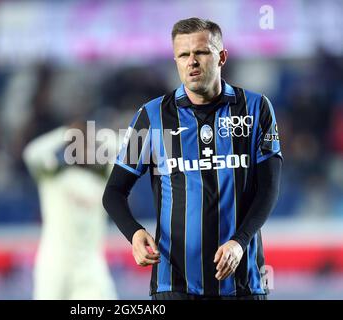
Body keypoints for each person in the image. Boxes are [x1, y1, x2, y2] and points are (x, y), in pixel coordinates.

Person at [102, 17, 282, 300]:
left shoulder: (256, 109)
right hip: (174, 285)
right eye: (183, 55)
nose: (192, 62)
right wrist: (134, 233)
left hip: (244, 282)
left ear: (221, 57)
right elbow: (113, 192)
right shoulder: (152, 117)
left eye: (200, 52)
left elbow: (268, 189)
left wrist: (239, 242)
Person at [23, 122, 117, 300]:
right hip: (55, 263)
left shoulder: (104, 183)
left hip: (89, 266)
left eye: (86, 144)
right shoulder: (52, 178)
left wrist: (95, 134)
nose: (82, 149)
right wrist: (65, 132)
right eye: (76, 144)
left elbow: (127, 152)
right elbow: (31, 154)